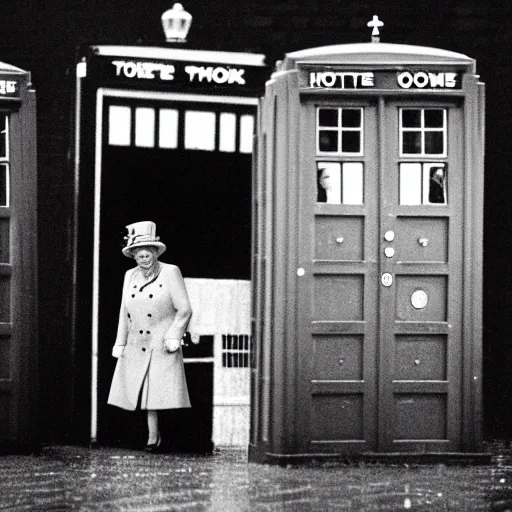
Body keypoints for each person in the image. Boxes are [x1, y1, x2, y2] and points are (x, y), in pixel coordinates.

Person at [107, 220, 193, 452]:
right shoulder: (129, 276)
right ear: (133, 255)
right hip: (137, 342)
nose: (143, 256)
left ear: (155, 252)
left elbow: (184, 309)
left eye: (147, 252)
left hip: (161, 342)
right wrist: (120, 342)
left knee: (159, 395)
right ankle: (148, 436)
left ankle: (156, 438)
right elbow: (124, 312)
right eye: (138, 253)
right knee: (140, 393)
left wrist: (174, 335)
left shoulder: (170, 272)